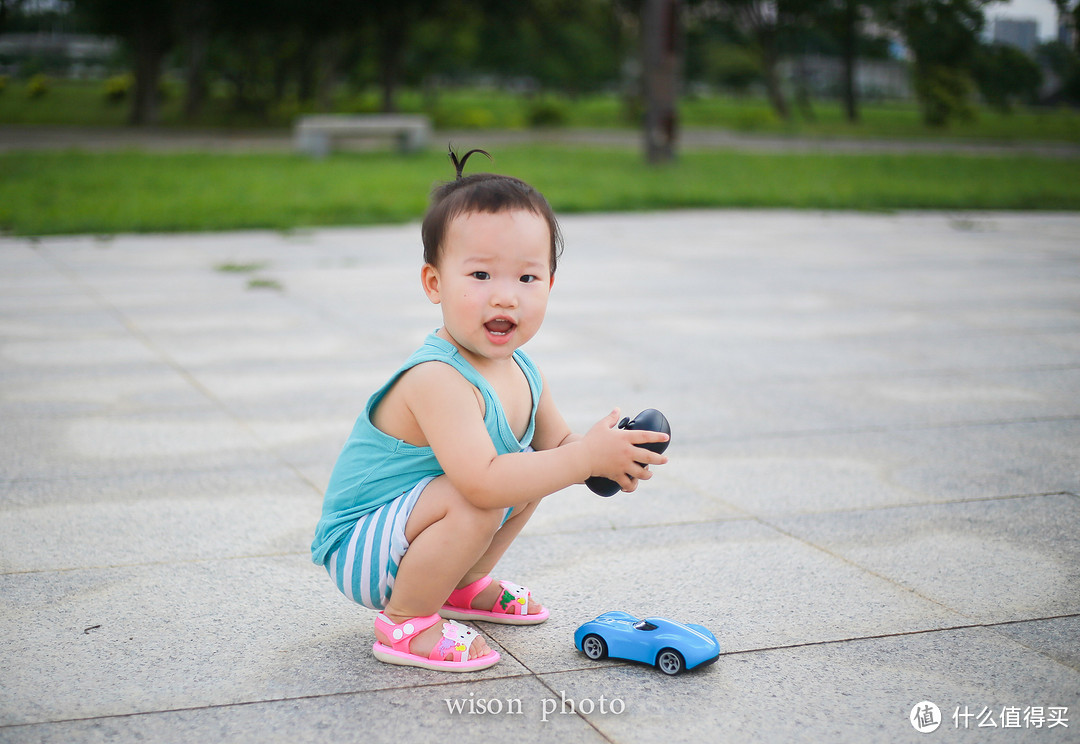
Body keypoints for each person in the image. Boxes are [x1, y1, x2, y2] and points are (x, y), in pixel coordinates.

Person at [311, 148, 669, 672]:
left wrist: (603, 453)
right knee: (484, 488)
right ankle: (405, 622)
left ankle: (456, 586)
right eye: (480, 276)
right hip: (362, 545)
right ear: (435, 283)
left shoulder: (524, 370)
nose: (505, 298)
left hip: (413, 533)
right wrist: (583, 459)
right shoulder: (436, 377)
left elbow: (560, 450)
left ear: (549, 285)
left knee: (527, 476)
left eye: (526, 279)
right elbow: (481, 482)